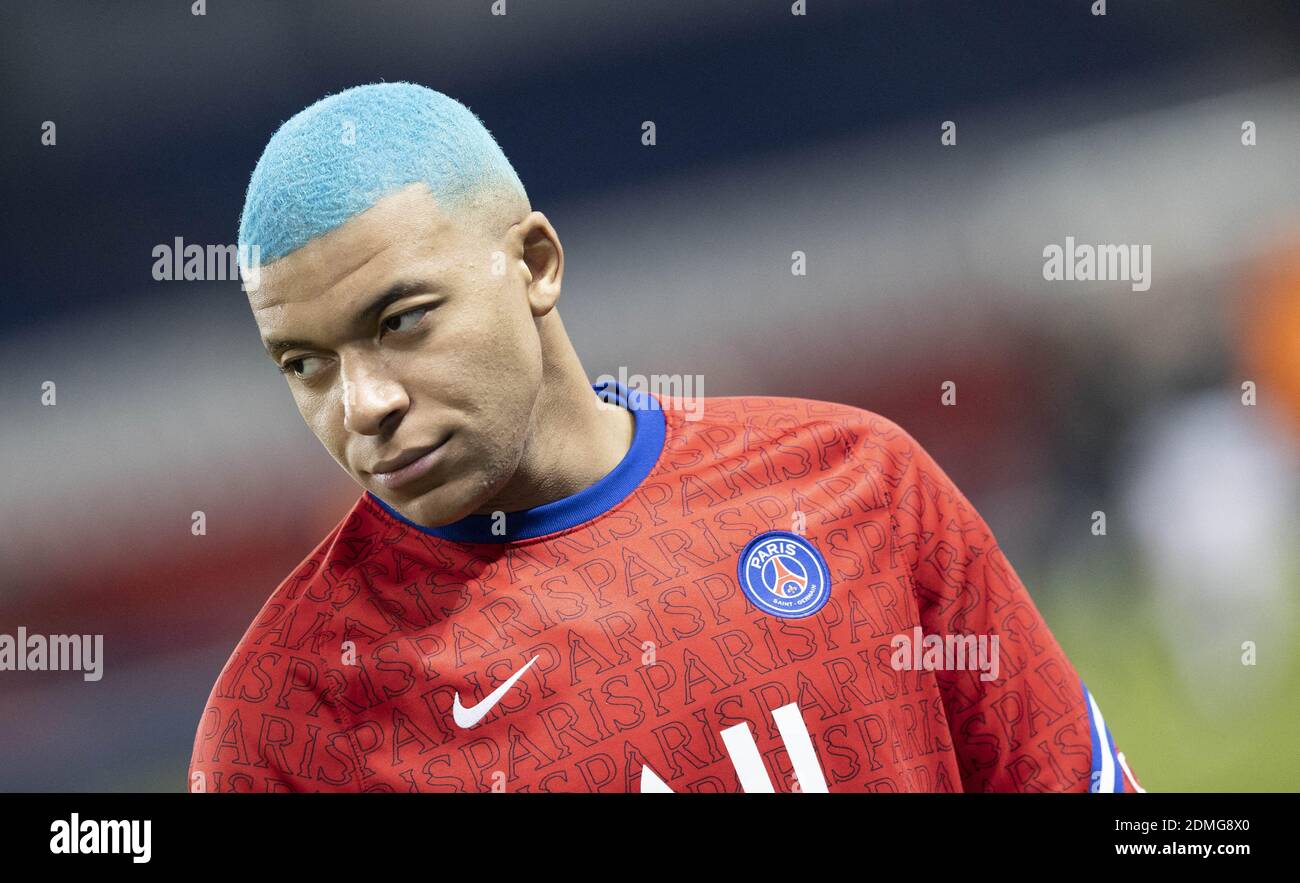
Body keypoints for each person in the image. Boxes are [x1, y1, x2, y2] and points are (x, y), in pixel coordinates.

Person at [188, 82, 1140, 793]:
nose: (362, 403)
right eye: (304, 363)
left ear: (533, 264)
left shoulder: (855, 487)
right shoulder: (287, 719)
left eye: (400, 320)